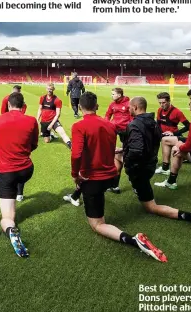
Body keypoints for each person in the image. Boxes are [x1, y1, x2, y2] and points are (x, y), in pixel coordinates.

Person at [70, 92, 167, 262]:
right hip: (111, 176)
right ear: (97, 106)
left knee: (97, 225)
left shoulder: (79, 126)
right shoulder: (110, 125)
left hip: (93, 179)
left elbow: (76, 154)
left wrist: (75, 175)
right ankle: (77, 193)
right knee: (90, 187)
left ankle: (133, 240)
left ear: (79, 107)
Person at [120, 97, 191, 228]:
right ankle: (116, 185)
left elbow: (137, 150)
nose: (128, 109)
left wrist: (127, 162)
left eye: (129, 107)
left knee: (151, 207)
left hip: (139, 170)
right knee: (118, 158)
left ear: (135, 107)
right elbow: (155, 140)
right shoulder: (152, 122)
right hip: (149, 165)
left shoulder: (134, 125)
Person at [0, 93, 38, 257]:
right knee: (17, 178)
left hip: (6, 172)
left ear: (8, 105)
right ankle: (20, 192)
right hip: (26, 170)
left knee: (7, 217)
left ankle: (11, 229)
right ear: (23, 105)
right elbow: (33, 144)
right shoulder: (31, 120)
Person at [154, 92, 190, 176]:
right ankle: (163, 167)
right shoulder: (159, 110)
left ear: (169, 101)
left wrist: (174, 133)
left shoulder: (177, 112)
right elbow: (158, 124)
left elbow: (188, 126)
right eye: (160, 103)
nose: (161, 105)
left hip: (174, 136)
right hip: (163, 135)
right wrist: (158, 134)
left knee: (181, 154)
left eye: (164, 102)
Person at [104, 87, 132, 194]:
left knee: (125, 155)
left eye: (113, 94)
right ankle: (114, 185)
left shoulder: (128, 104)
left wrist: (130, 127)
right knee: (115, 154)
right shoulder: (112, 104)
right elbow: (108, 114)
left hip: (126, 131)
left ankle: (135, 182)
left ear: (119, 95)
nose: (111, 96)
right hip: (114, 129)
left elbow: (132, 117)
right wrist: (107, 123)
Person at [36, 83, 71, 148]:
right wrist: (37, 119)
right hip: (44, 122)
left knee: (62, 132)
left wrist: (51, 124)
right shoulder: (42, 98)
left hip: (53, 121)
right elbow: (40, 109)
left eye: (51, 89)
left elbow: (58, 114)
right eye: (48, 89)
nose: (49, 90)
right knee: (47, 141)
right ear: (46, 89)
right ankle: (51, 135)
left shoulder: (57, 100)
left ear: (53, 89)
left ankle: (70, 145)